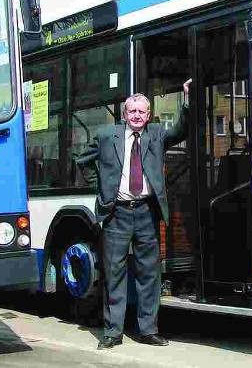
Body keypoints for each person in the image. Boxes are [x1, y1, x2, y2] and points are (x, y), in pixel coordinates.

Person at [76, 78, 192, 349]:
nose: (137, 116)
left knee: (149, 275)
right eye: (132, 111)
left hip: (146, 213)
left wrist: (186, 100)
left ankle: (148, 330)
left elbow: (181, 131)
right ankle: (113, 332)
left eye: (142, 111)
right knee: (114, 273)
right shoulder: (107, 136)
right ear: (125, 114)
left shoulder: (156, 134)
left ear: (148, 115)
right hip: (116, 213)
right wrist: (103, 188)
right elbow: (83, 161)